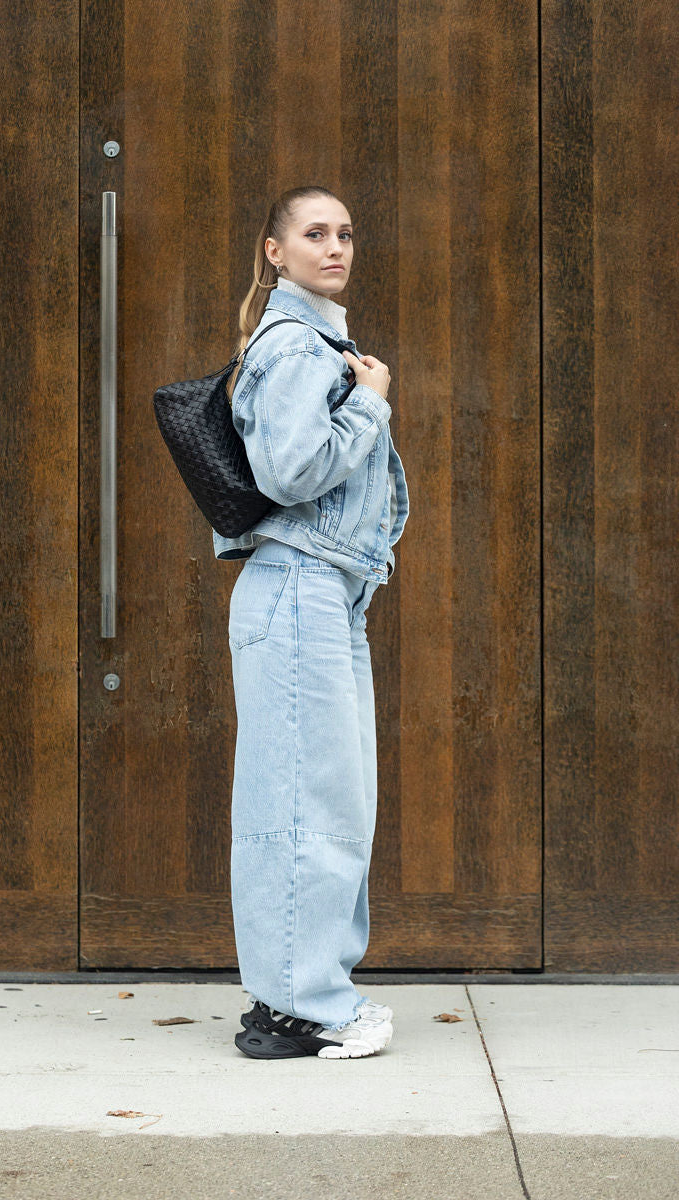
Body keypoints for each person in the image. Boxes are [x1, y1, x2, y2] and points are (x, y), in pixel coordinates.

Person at [214, 185, 410, 1059]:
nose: (335, 247)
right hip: (299, 587)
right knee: (307, 803)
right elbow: (293, 472)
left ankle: (292, 995)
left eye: (346, 232)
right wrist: (369, 403)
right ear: (274, 251)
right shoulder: (298, 346)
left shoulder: (314, 340)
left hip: (315, 593)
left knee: (314, 800)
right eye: (314, 234)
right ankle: (305, 1008)